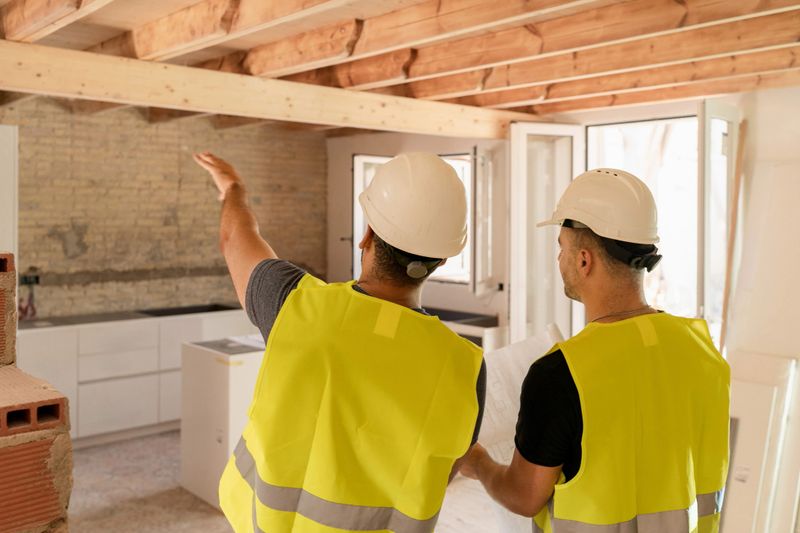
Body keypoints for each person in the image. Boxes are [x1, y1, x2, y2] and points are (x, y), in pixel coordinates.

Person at [193, 151, 486, 533]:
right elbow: (440, 471)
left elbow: (236, 237)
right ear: (443, 259)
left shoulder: (294, 303)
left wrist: (234, 188)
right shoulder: (465, 367)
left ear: (366, 234)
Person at [460, 168, 730, 532]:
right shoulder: (702, 349)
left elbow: (524, 497)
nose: (559, 261)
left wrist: (477, 462)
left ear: (584, 260)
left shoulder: (561, 373)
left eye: (562, 248)